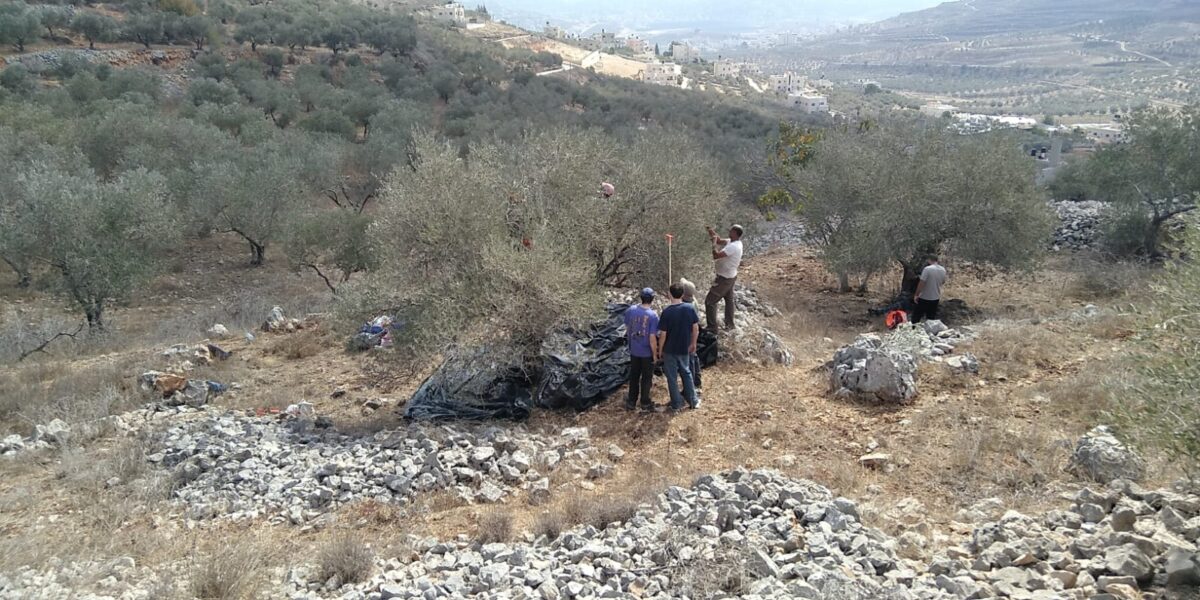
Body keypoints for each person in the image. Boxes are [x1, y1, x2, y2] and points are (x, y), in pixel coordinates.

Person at [657, 283, 700, 411]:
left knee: (671, 377)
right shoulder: (690, 308)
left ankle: (676, 403)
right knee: (686, 373)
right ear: (682, 294)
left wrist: (660, 350)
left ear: (669, 294)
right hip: (684, 347)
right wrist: (693, 343)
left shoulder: (666, 312)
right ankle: (693, 400)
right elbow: (695, 328)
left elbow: (663, 334)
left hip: (670, 350)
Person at [623, 287, 660, 411]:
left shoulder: (631, 310)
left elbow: (628, 329)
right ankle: (645, 402)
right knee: (646, 377)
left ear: (641, 297)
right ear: (652, 299)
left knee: (634, 375)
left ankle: (631, 401)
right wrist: (655, 355)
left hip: (634, 350)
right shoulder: (653, 316)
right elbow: (652, 338)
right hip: (646, 353)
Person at [704, 224, 744, 332]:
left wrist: (713, 244)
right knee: (729, 300)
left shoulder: (734, 246)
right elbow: (719, 240)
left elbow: (716, 255)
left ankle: (712, 327)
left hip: (724, 278)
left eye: (731, 231)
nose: (729, 231)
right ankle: (730, 325)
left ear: (735, 233)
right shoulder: (733, 242)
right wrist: (711, 231)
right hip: (730, 276)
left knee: (710, 301)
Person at [679, 278, 702, 391]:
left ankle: (691, 386)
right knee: (694, 356)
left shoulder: (687, 307)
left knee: (690, 360)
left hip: (687, 334)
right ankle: (697, 381)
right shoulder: (694, 301)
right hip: (693, 332)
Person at [912, 255, 948, 323]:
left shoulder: (927, 269)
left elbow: (921, 283)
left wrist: (916, 294)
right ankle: (930, 332)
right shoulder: (943, 270)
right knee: (931, 319)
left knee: (916, 317)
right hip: (935, 297)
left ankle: (914, 330)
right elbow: (943, 281)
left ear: (929, 260)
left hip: (924, 297)